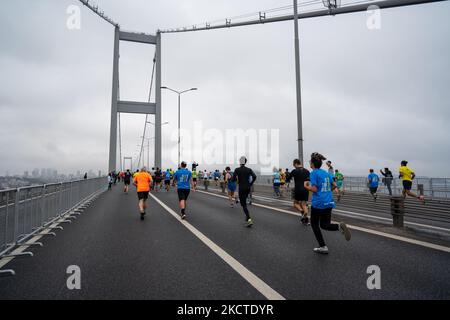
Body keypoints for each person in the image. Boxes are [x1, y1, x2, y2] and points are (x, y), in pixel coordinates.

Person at [304, 153, 351, 254]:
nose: (309, 163)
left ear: (312, 164)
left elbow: (315, 189)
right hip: (329, 201)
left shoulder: (313, 173)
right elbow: (334, 185)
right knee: (325, 224)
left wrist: (306, 186)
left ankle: (323, 246)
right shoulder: (326, 173)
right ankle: (339, 227)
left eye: (310, 162)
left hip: (318, 203)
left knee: (314, 224)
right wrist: (326, 191)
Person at [231, 156, 257, 227]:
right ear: (245, 162)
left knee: (244, 205)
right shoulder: (249, 169)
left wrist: (232, 179)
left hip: (241, 188)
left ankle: (249, 219)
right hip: (248, 188)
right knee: (244, 202)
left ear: (240, 162)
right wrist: (250, 184)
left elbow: (233, 179)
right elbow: (255, 176)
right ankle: (247, 217)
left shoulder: (237, 170)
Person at [290, 159, 310, 225]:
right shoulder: (307, 171)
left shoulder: (294, 171)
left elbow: (288, 178)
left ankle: (302, 211)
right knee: (304, 204)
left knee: (295, 203)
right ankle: (305, 215)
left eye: (293, 164)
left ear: (295, 163)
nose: (293, 166)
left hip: (298, 189)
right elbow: (309, 181)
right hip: (306, 189)